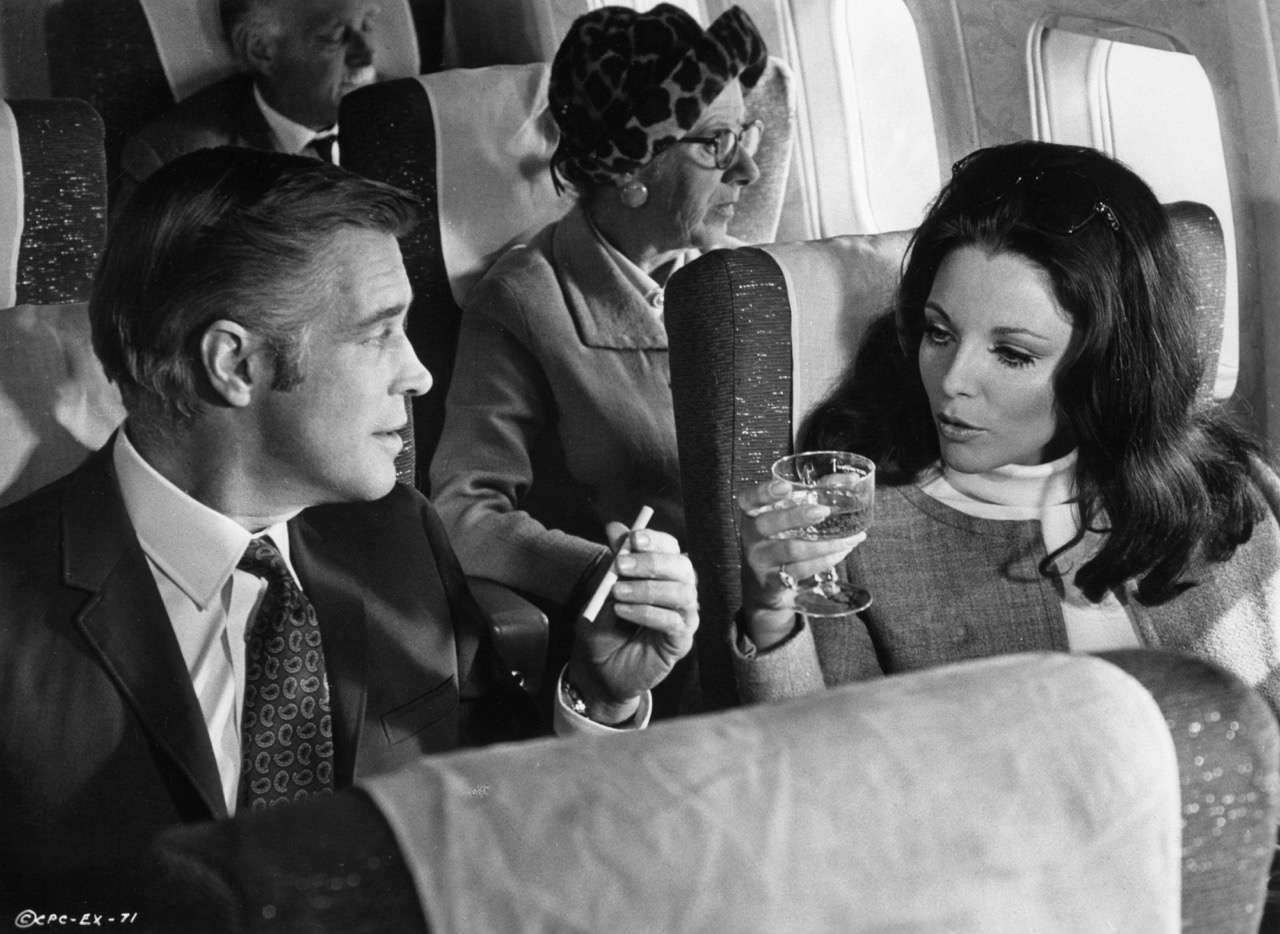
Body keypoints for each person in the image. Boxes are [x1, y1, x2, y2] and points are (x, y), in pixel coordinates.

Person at [0, 147, 697, 913]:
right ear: (233, 363)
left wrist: (595, 697)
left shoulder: (397, 534)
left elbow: (486, 797)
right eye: (379, 333)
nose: (419, 374)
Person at [733, 140, 1280, 715]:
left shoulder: (1233, 488)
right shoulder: (856, 533)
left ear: (1106, 367)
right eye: (939, 334)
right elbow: (824, 767)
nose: (952, 382)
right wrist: (771, 622)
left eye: (1013, 354)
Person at [429, 4, 766, 715]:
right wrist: (603, 579)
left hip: (770, 625)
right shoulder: (524, 301)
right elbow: (464, 510)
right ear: (631, 170)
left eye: (747, 132)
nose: (750, 167)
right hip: (649, 664)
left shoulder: (742, 276)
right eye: (717, 142)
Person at [117, 0, 382, 204]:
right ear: (259, 49)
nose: (367, 54)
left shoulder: (406, 109)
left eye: (367, 25)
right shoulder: (172, 163)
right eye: (335, 37)